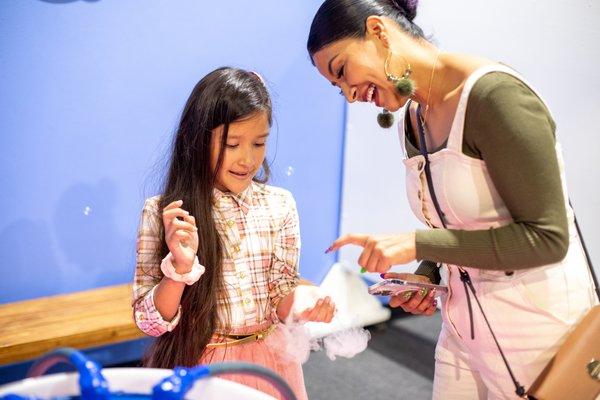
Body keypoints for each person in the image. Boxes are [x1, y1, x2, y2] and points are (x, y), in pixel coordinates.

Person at [308, 1, 598, 398]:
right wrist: (427, 274)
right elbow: (458, 228)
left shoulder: (494, 98)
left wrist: (416, 243)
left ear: (378, 31)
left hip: (540, 334)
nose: (349, 95)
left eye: (342, 71)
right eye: (335, 86)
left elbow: (547, 239)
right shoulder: (413, 118)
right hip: (463, 330)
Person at [132, 67, 335, 400]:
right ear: (197, 139)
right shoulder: (165, 212)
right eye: (232, 143)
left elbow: (282, 296)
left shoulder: (279, 205)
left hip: (269, 363)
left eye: (259, 143)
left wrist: (308, 304)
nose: (248, 159)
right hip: (196, 366)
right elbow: (150, 322)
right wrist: (180, 270)